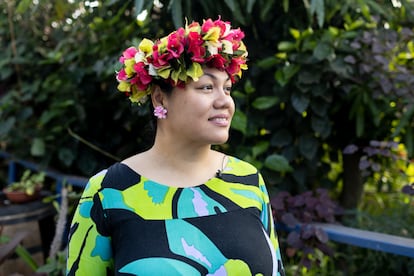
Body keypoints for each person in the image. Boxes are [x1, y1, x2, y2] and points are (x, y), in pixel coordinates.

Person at [66, 17, 285, 276]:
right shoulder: (108, 191)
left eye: (226, 89)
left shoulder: (247, 180)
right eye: (206, 87)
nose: (225, 101)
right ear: (160, 97)